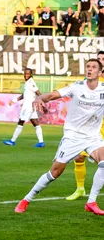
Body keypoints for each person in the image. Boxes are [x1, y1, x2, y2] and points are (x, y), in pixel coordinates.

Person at [14, 58, 104, 216]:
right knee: (54, 173)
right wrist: (39, 98)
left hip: (92, 136)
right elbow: (52, 95)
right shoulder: (76, 87)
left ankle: (91, 201)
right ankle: (26, 199)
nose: (89, 69)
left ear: (100, 72)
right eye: (88, 66)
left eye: (93, 67)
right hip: (73, 136)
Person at [66, 51, 104, 201]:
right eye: (99, 58)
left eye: (102, 59)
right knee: (79, 156)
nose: (101, 60)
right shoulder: (89, 80)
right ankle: (80, 188)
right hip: (91, 126)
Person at [3, 68, 44, 147]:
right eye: (25, 74)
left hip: (28, 107)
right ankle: (41, 142)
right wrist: (14, 101)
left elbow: (38, 92)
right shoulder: (27, 83)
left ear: (31, 74)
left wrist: (42, 101)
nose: (26, 75)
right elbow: (23, 95)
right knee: (35, 123)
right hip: (31, 106)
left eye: (28, 74)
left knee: (20, 121)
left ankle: (12, 141)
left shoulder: (31, 82)